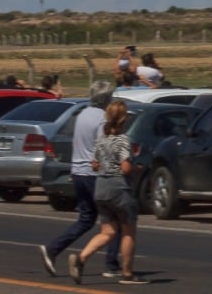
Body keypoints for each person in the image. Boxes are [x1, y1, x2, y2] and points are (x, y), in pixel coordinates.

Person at [40, 80, 121, 279]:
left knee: (86, 219)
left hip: (77, 173)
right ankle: (112, 264)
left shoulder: (82, 114)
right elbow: (104, 149)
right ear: (107, 99)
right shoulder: (103, 119)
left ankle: (53, 249)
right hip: (94, 175)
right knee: (114, 220)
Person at [69, 100, 147, 285]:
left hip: (101, 187)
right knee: (128, 230)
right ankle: (127, 273)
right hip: (119, 188)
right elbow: (125, 168)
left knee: (108, 231)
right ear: (123, 119)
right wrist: (137, 168)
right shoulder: (123, 140)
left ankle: (81, 259)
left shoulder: (101, 140)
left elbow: (94, 165)